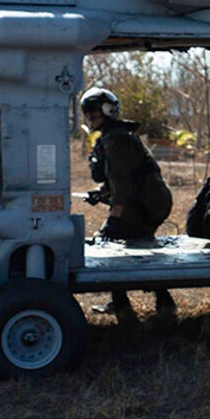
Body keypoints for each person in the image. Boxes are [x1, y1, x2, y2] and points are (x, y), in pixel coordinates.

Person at [80, 87, 176, 317]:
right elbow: (121, 178)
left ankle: (122, 305)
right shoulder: (116, 136)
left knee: (107, 244)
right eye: (88, 113)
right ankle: (163, 302)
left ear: (108, 111)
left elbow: (122, 184)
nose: (91, 117)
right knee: (140, 247)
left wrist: (116, 216)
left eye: (94, 112)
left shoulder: (116, 139)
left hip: (145, 206)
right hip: (151, 202)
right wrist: (100, 193)